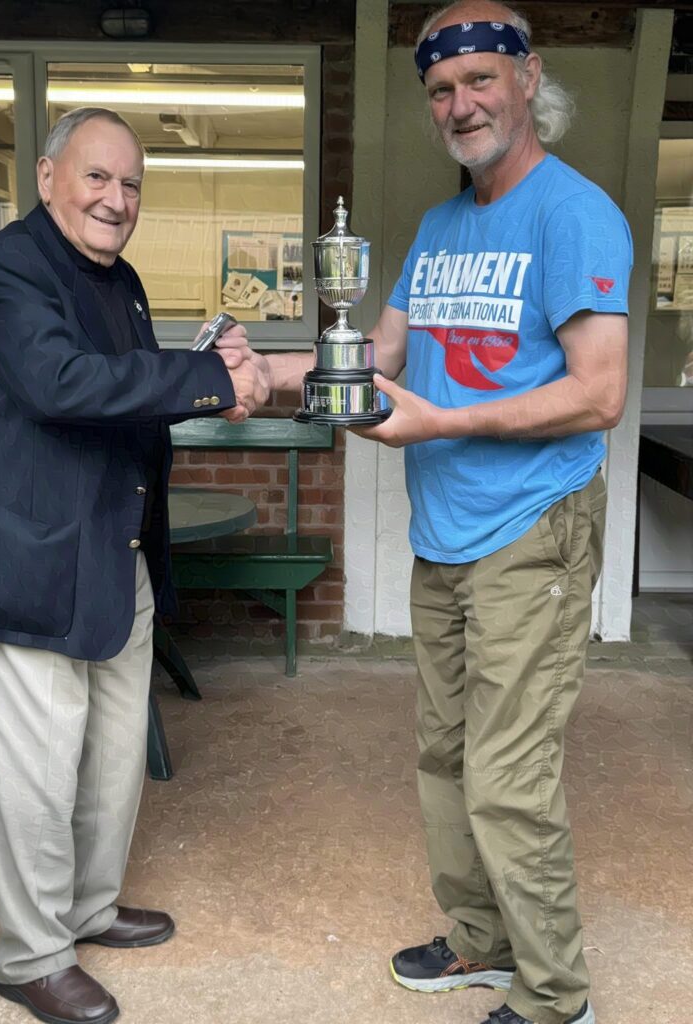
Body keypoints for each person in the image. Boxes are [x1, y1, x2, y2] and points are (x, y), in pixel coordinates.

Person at [222, 3, 632, 1022]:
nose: (461, 104)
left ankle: (555, 995)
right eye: (443, 90)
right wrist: (266, 373)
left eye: (481, 80)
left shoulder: (573, 213)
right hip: (443, 531)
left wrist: (447, 420)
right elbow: (378, 358)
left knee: (508, 775)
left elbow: (600, 393)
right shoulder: (443, 227)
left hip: (534, 529)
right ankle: (484, 943)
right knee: (445, 755)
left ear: (527, 78)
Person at [0, 106, 269, 1024]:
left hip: (114, 549)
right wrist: (208, 383)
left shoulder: (117, 281)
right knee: (36, 770)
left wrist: (207, 364)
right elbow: (62, 384)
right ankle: (30, 955)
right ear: (47, 178)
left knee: (111, 754)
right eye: (97, 177)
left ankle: (86, 908)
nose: (115, 200)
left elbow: (126, 393)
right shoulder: (9, 266)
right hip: (33, 557)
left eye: (130, 185)